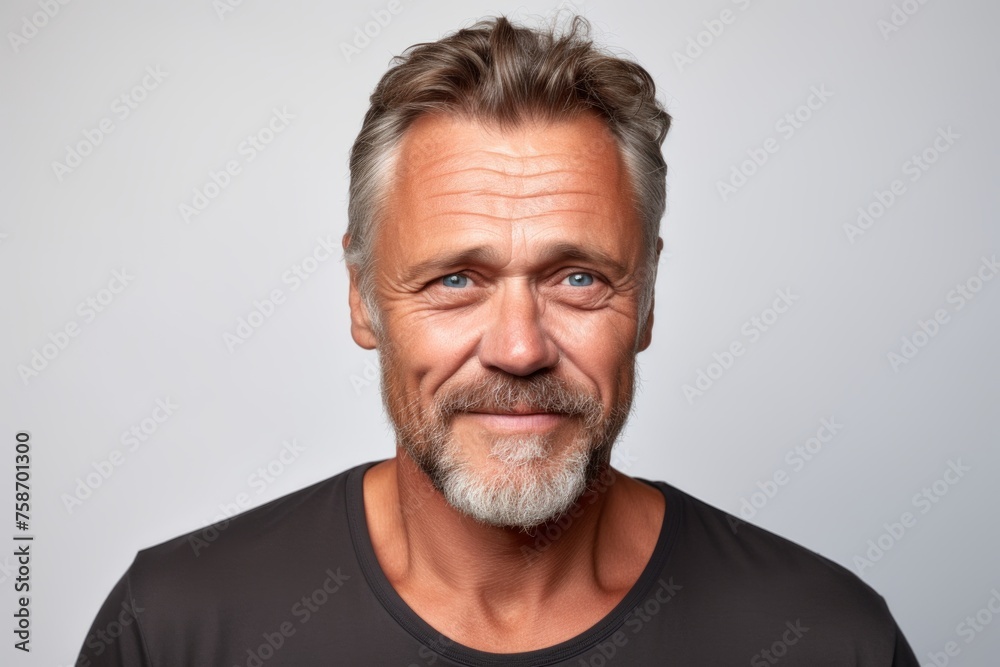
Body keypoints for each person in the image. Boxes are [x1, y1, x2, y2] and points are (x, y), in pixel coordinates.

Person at [78, 14, 919, 665]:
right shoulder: (178, 627)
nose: (519, 350)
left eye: (577, 278)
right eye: (455, 280)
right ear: (363, 298)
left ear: (649, 298)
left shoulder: (823, 637)